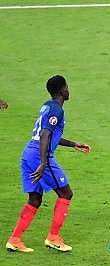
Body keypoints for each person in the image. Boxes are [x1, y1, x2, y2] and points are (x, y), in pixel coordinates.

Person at [5, 75, 91, 253]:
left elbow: (49, 134)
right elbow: (45, 135)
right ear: (61, 90)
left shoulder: (47, 106)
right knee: (66, 193)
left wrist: (74, 144)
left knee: (35, 199)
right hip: (39, 155)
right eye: (67, 87)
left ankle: (14, 239)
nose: (68, 90)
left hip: (29, 152)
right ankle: (53, 237)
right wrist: (43, 162)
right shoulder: (57, 110)